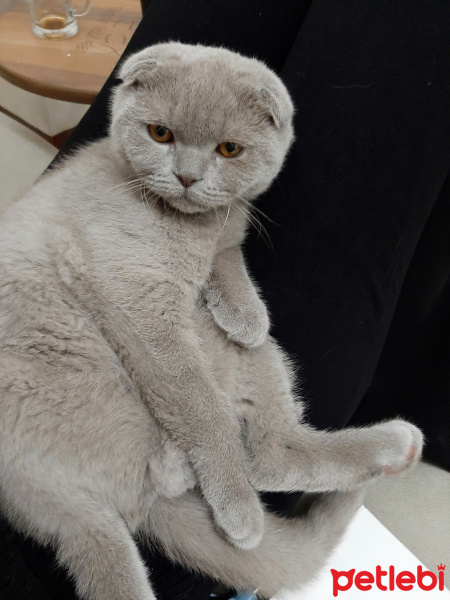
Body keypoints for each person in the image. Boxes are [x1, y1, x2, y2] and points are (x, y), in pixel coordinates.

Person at [1, 1, 449, 599]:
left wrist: (225, 275)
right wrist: (221, 467)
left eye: (226, 151)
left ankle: (266, 451)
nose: (187, 174)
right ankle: (272, 450)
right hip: (77, 451)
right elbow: (152, 331)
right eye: (161, 134)